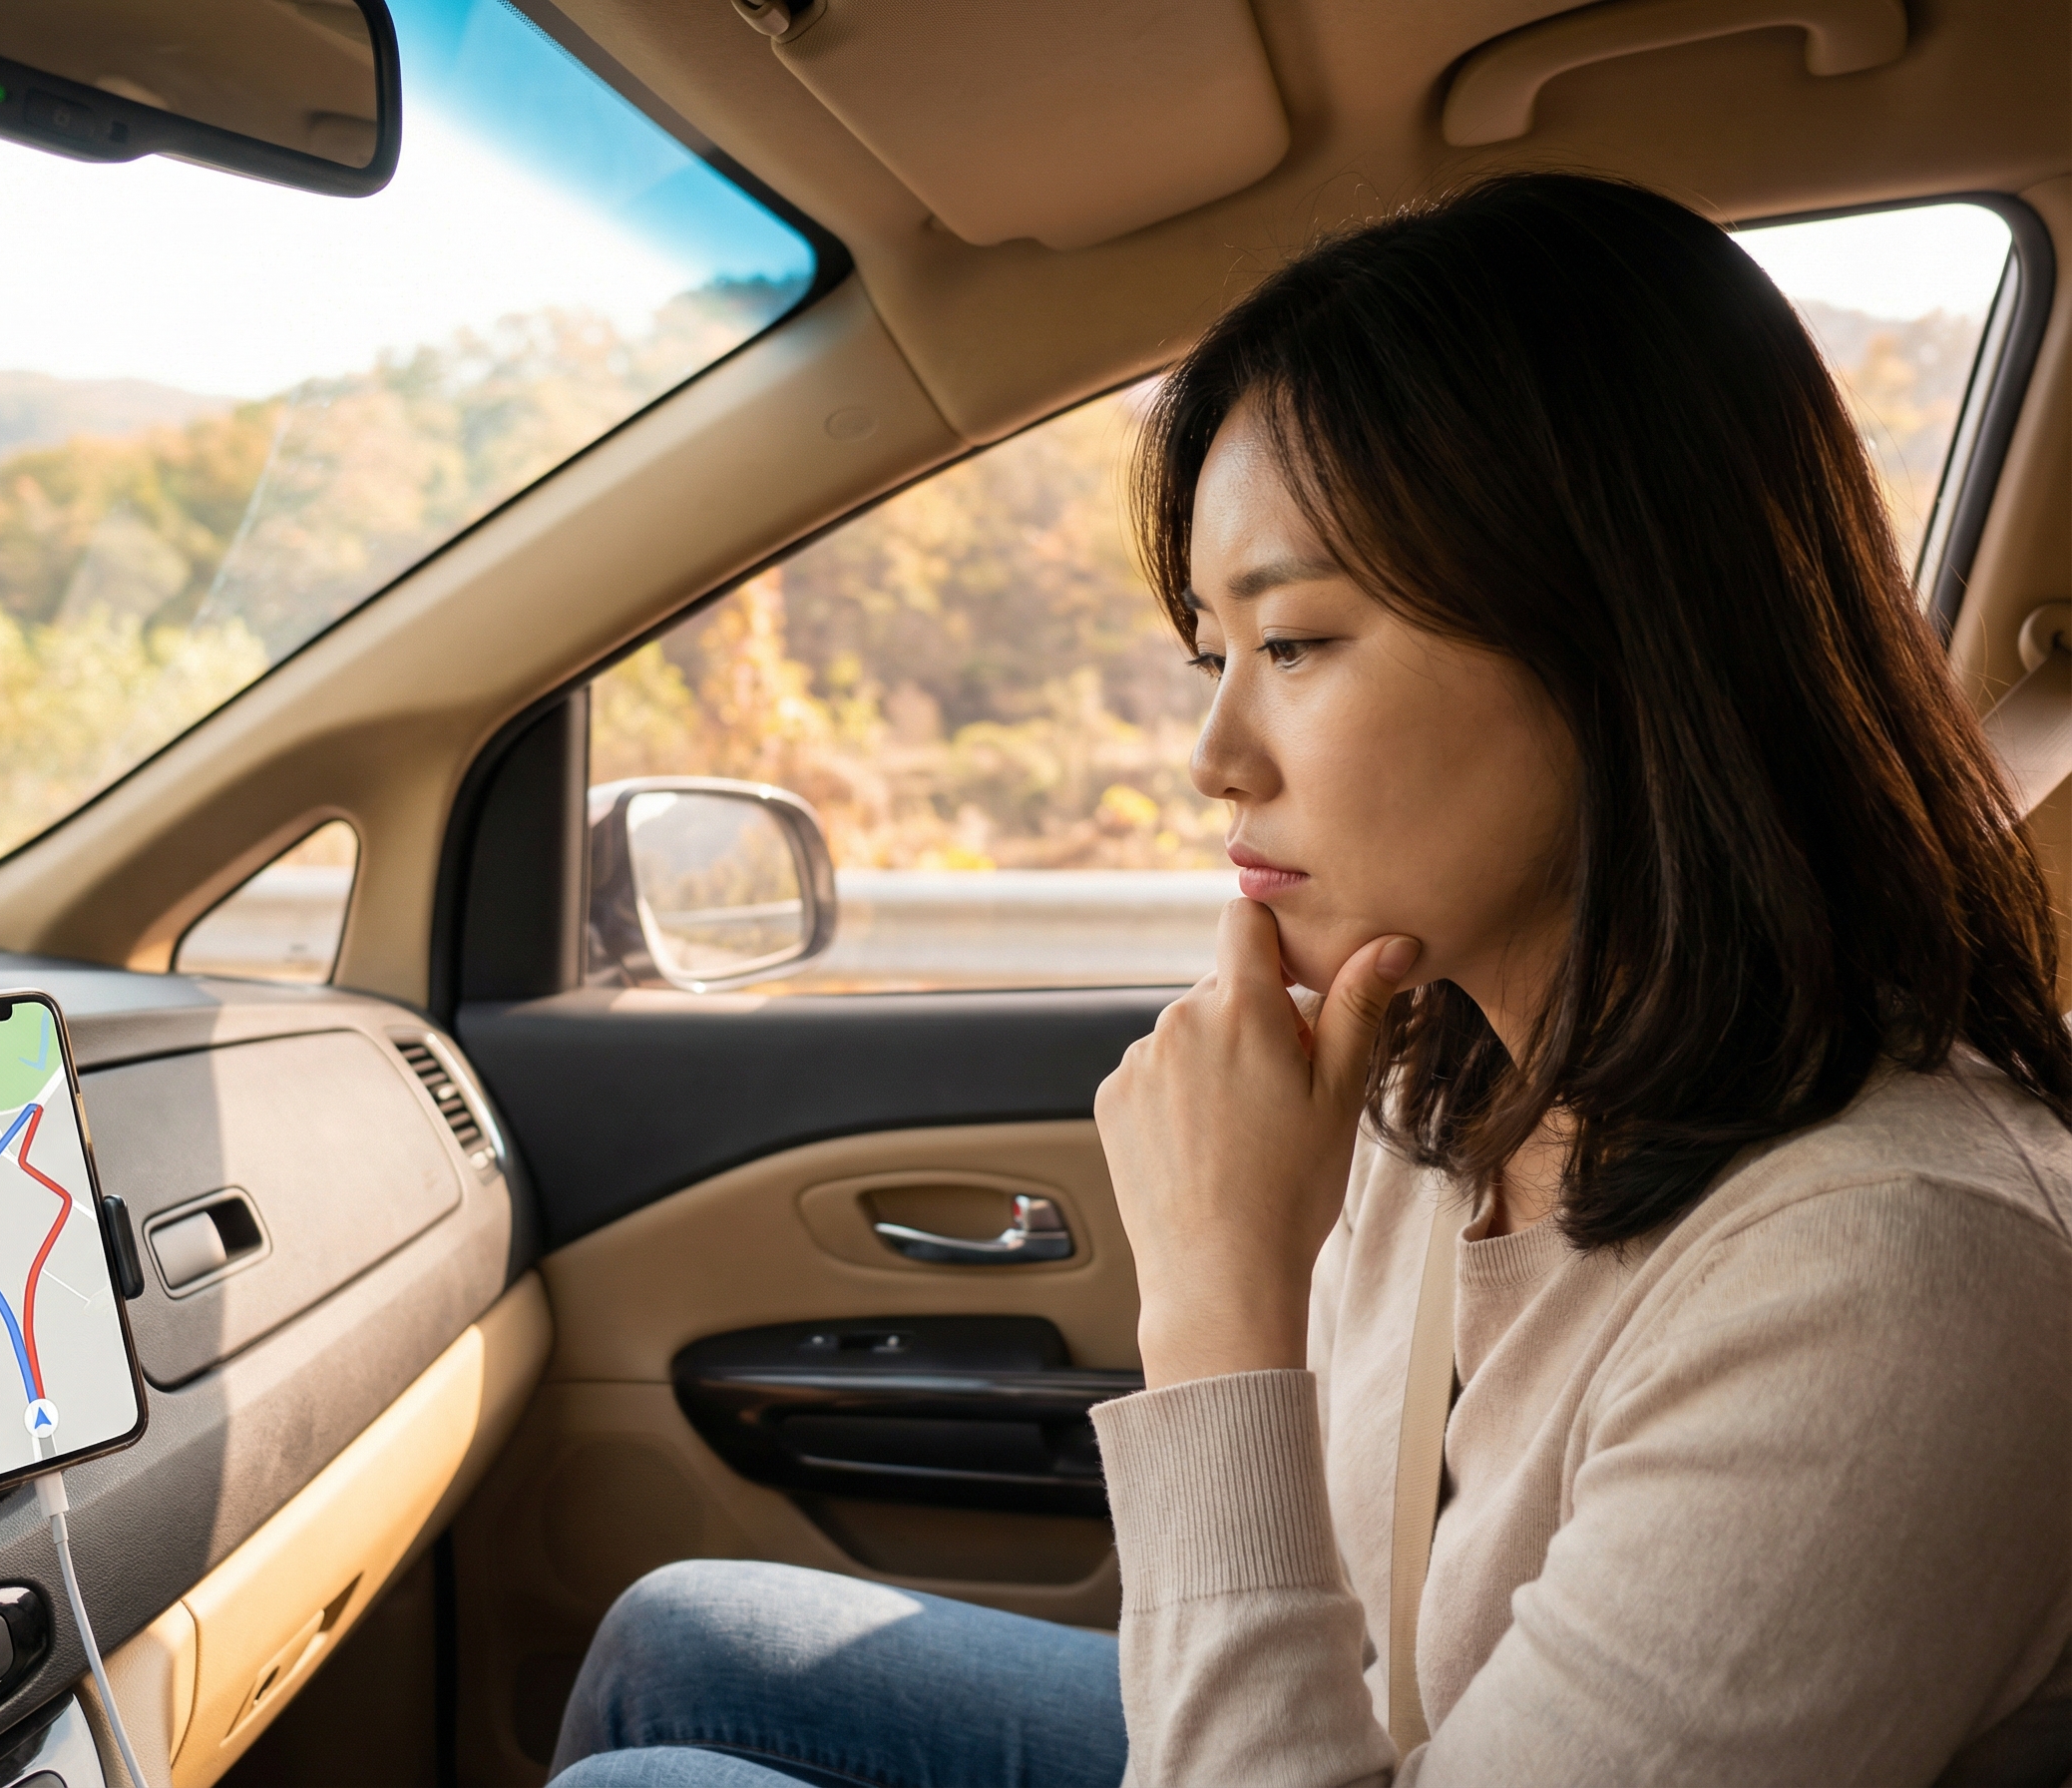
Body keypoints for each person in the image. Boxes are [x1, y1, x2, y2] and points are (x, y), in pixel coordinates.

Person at [548, 173, 2072, 1786]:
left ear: (1626, 640)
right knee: (683, 1647)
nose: (1213, 759)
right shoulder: (1453, 1079)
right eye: (1213, 653)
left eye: (1295, 647)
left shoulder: (1896, 1272)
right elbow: (1320, 1651)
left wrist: (1215, 1304)